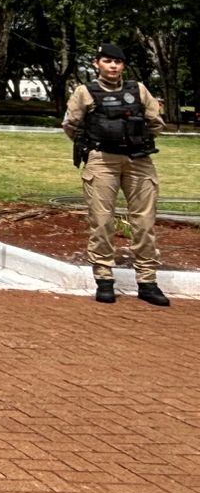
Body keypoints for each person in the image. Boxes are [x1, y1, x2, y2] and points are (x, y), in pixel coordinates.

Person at [64, 43, 168, 306]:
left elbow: (156, 122)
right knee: (102, 220)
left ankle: (147, 281)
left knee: (144, 222)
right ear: (97, 63)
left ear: (123, 65)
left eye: (118, 62)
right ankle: (104, 278)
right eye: (107, 61)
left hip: (139, 161)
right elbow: (70, 125)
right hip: (102, 160)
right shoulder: (84, 92)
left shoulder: (138, 90)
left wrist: (137, 139)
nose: (113, 66)